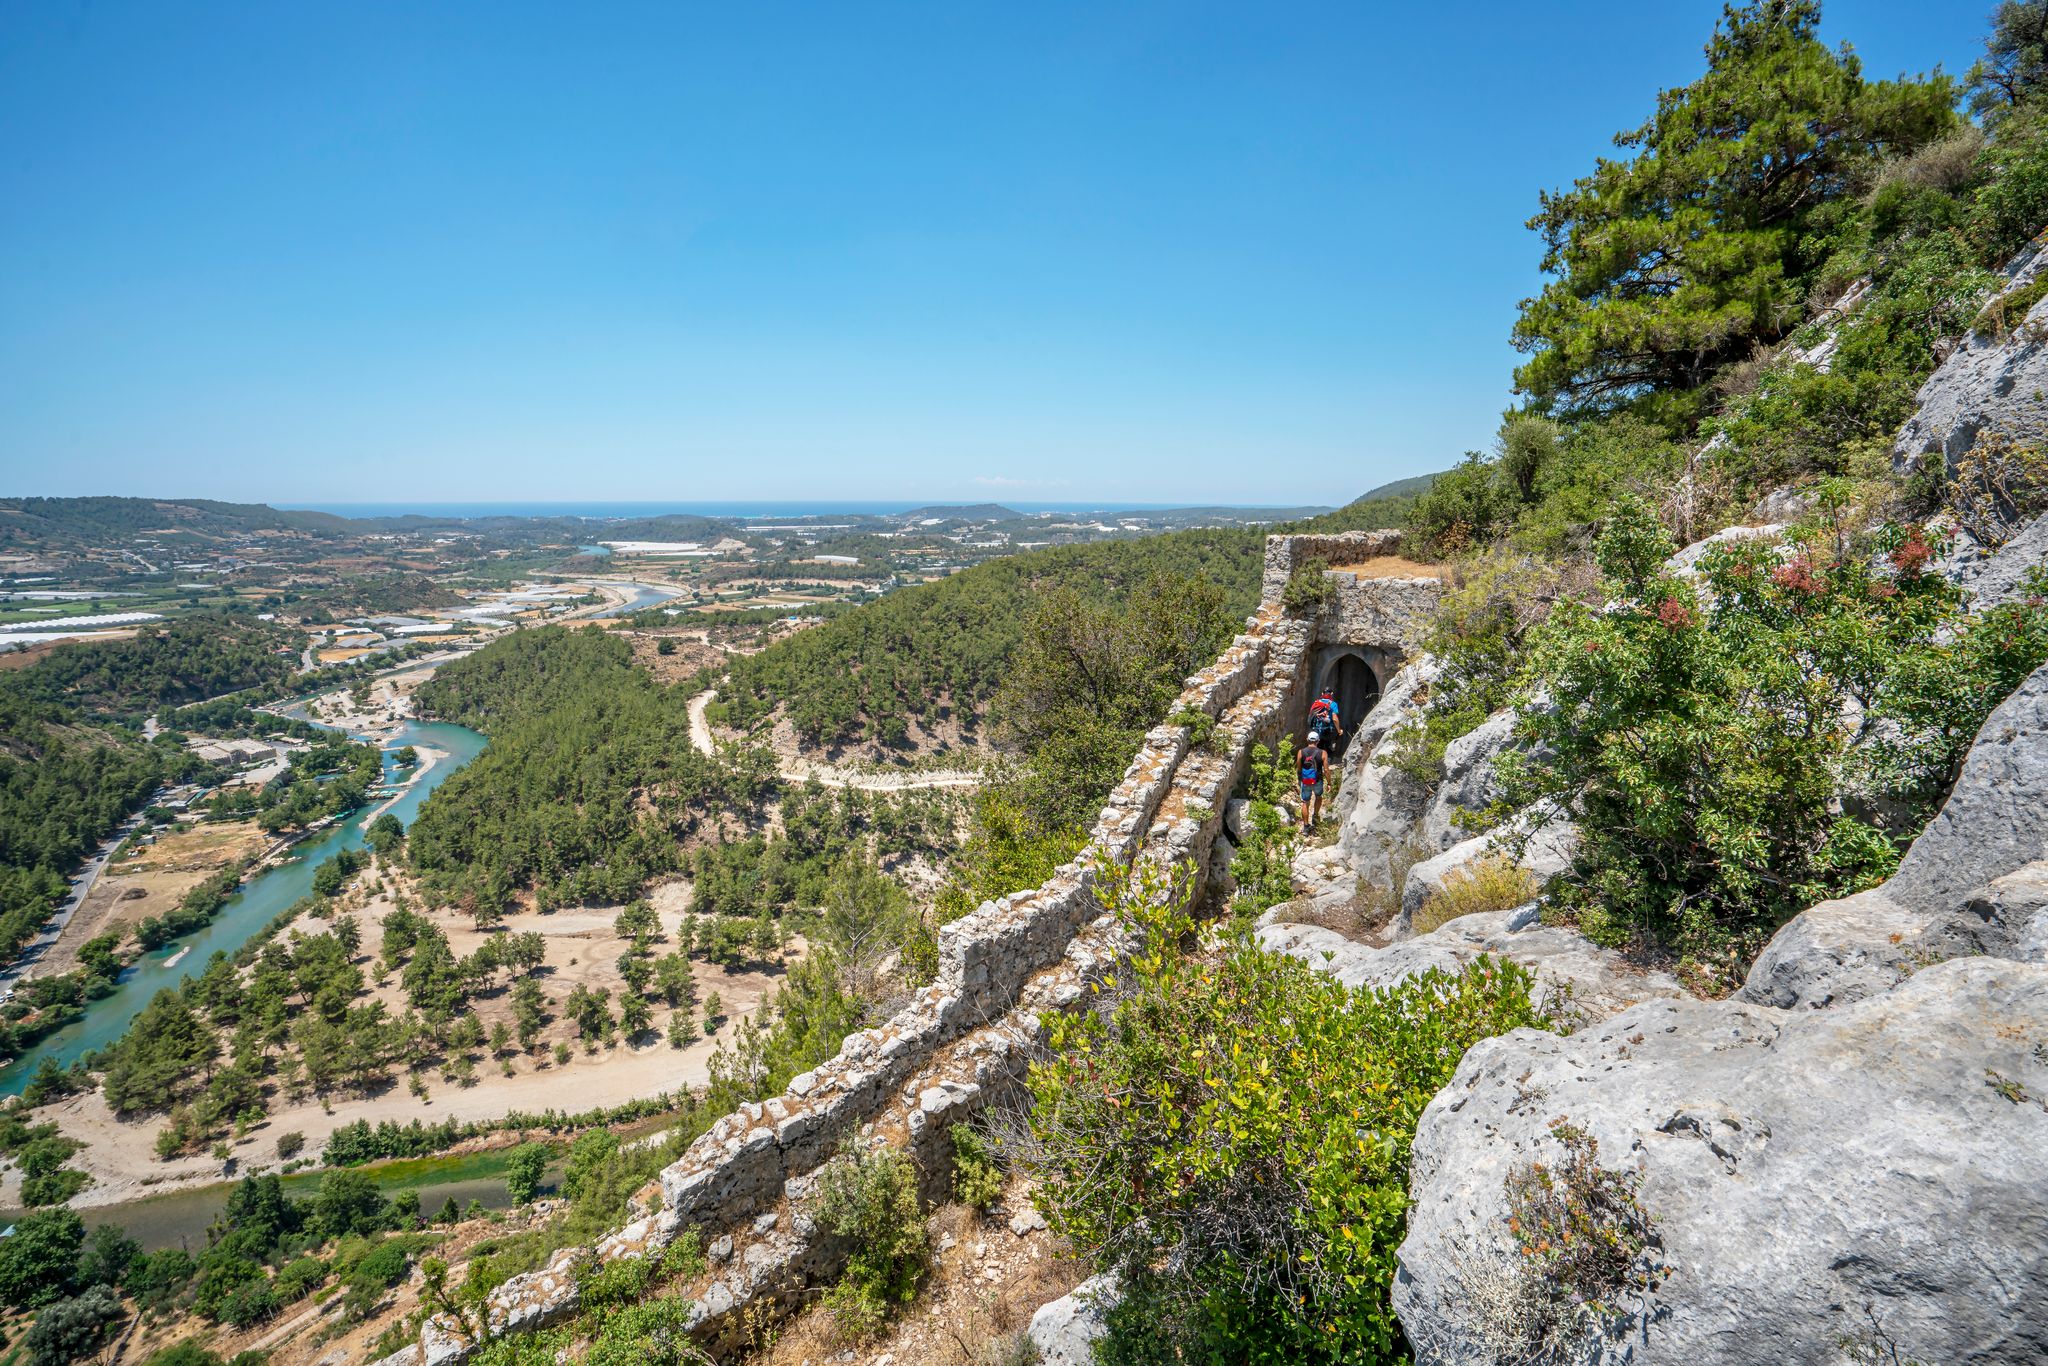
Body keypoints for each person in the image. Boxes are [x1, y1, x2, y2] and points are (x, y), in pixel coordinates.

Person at [1297, 730, 1329, 833]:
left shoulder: (1301, 752)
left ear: (1307, 740)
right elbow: (1326, 770)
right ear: (1318, 741)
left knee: (1305, 802)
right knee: (1318, 797)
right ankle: (1315, 817)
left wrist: (1300, 778)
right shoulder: (1323, 753)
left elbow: (1299, 767)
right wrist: (1329, 783)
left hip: (1306, 780)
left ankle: (1306, 827)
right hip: (1318, 780)